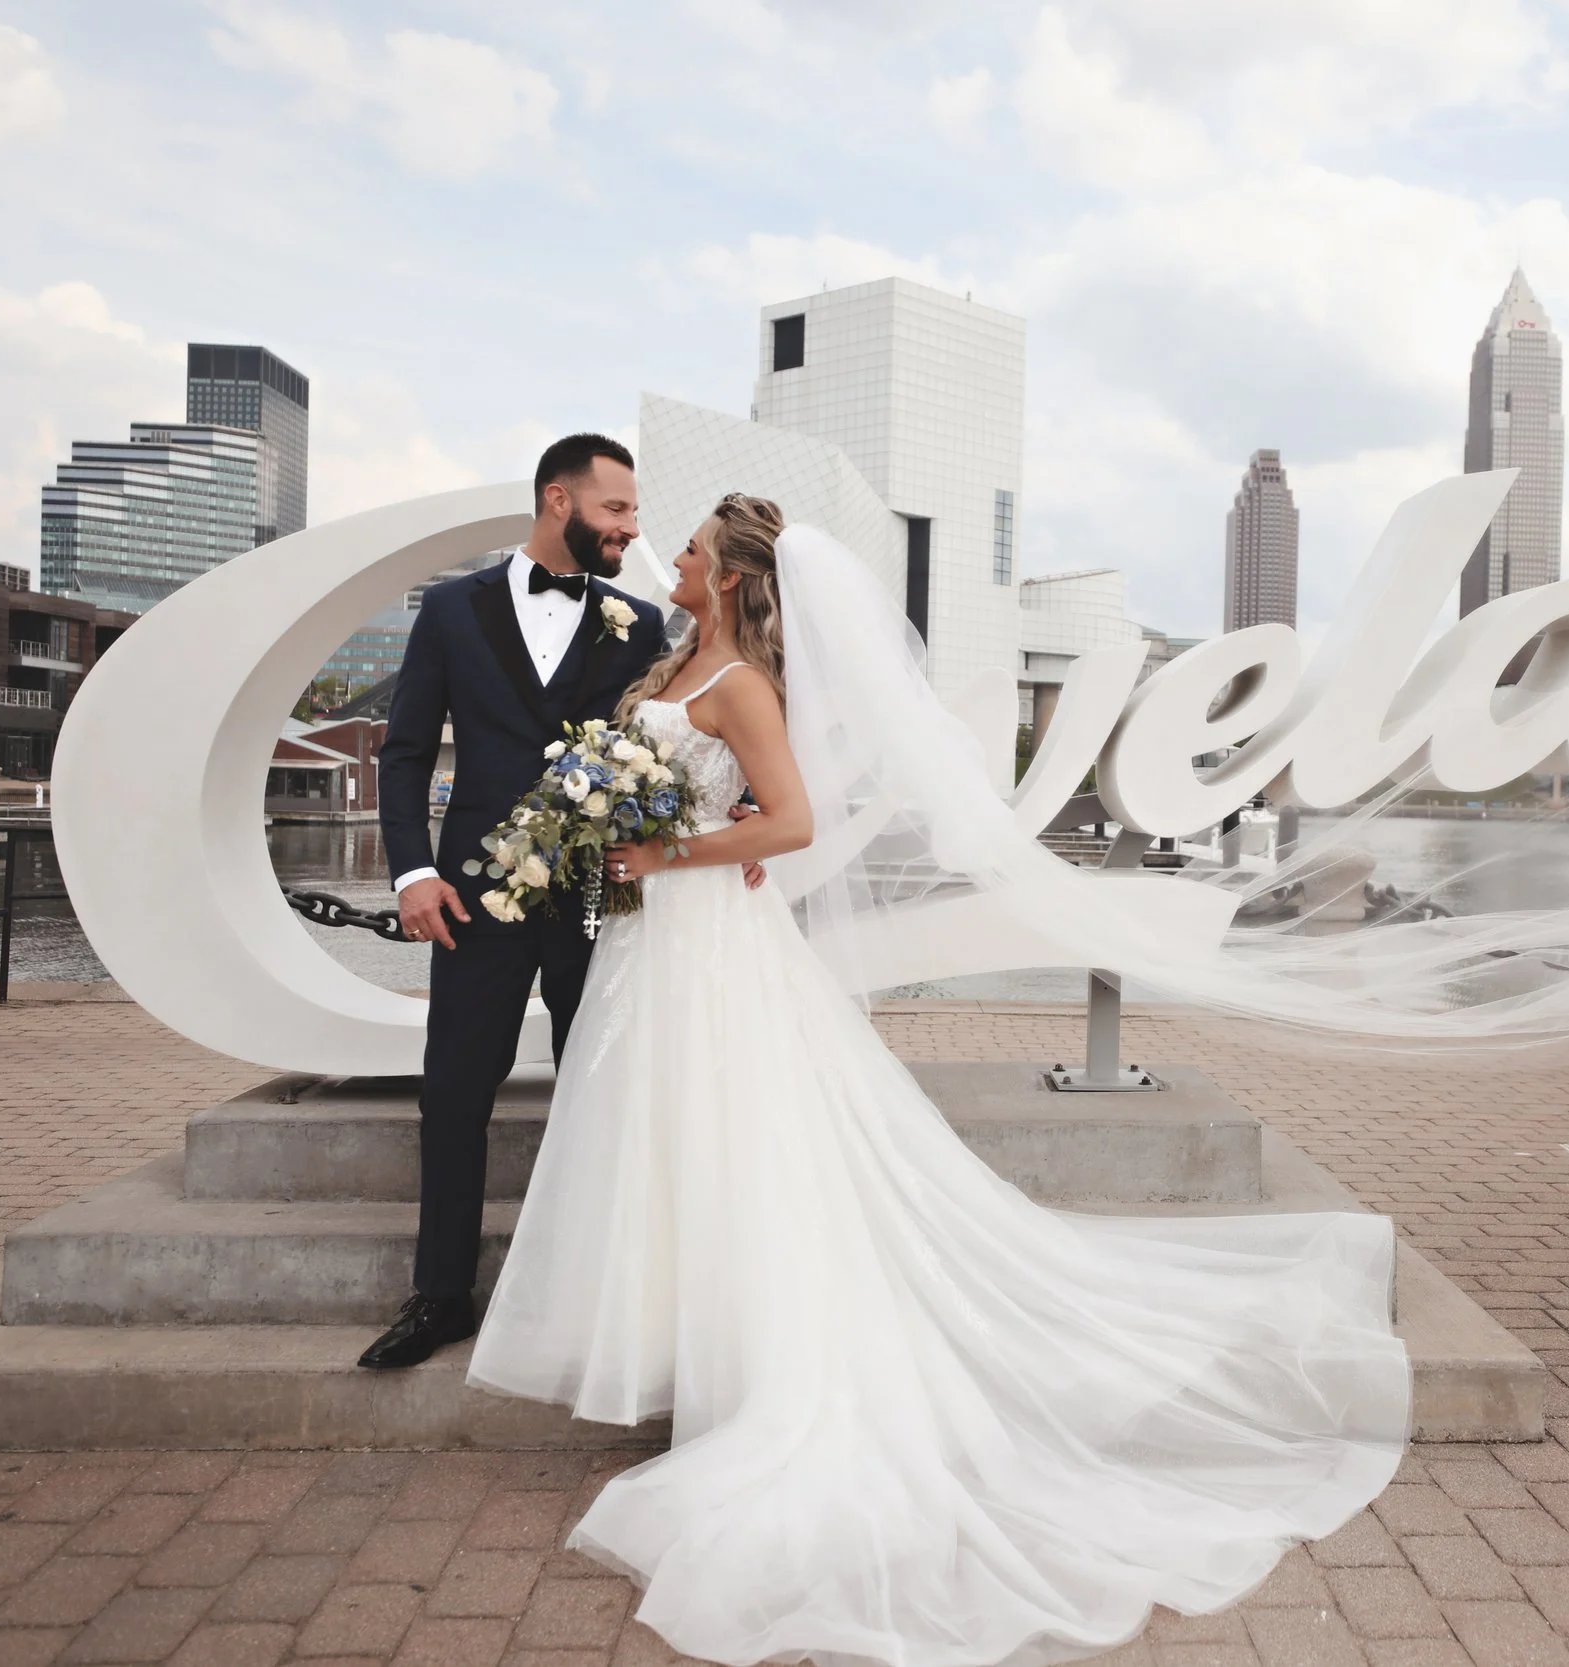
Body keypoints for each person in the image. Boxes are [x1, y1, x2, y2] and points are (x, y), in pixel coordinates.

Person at [469, 496, 1411, 1666]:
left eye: (701, 543)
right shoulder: (678, 658)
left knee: (736, 1139)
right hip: (654, 943)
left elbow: (792, 821)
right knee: (671, 1141)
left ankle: (760, 1377)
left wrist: (656, 850)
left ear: (733, 573)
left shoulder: (743, 687)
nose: (683, 551)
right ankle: (696, 1353)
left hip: (706, 941)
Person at [360, 435, 672, 1370]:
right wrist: (414, 873)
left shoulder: (640, 622)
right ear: (557, 501)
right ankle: (440, 1293)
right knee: (453, 1091)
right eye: (615, 510)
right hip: (474, 898)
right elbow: (407, 751)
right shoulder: (451, 611)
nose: (629, 527)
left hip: (597, 897)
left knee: (600, 1093)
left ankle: (592, 1299)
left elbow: (675, 736)